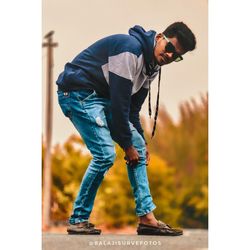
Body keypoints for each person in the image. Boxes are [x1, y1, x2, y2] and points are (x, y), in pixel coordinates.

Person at [56, 22, 196, 236]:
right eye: (169, 48)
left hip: (103, 99)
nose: (169, 56)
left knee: (138, 146)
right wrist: (127, 146)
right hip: (78, 93)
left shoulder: (152, 68)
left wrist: (139, 142)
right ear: (159, 37)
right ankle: (78, 219)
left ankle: (147, 218)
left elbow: (131, 110)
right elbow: (120, 105)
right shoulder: (129, 50)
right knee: (105, 155)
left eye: (176, 56)